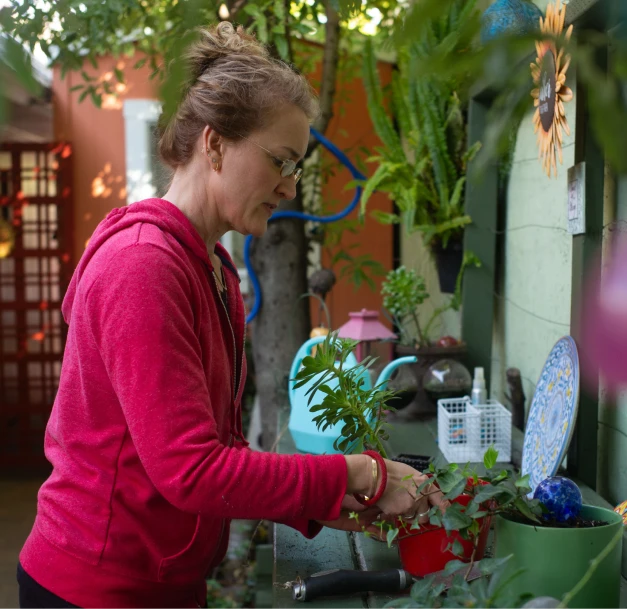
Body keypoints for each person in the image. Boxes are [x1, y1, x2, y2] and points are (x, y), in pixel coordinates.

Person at [17, 22, 447, 609]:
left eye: (297, 168)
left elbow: (217, 455)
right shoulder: (143, 268)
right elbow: (190, 471)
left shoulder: (211, 267)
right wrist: (357, 474)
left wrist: (329, 504)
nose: (291, 187)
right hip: (97, 587)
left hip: (163, 583)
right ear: (214, 144)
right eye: (281, 161)